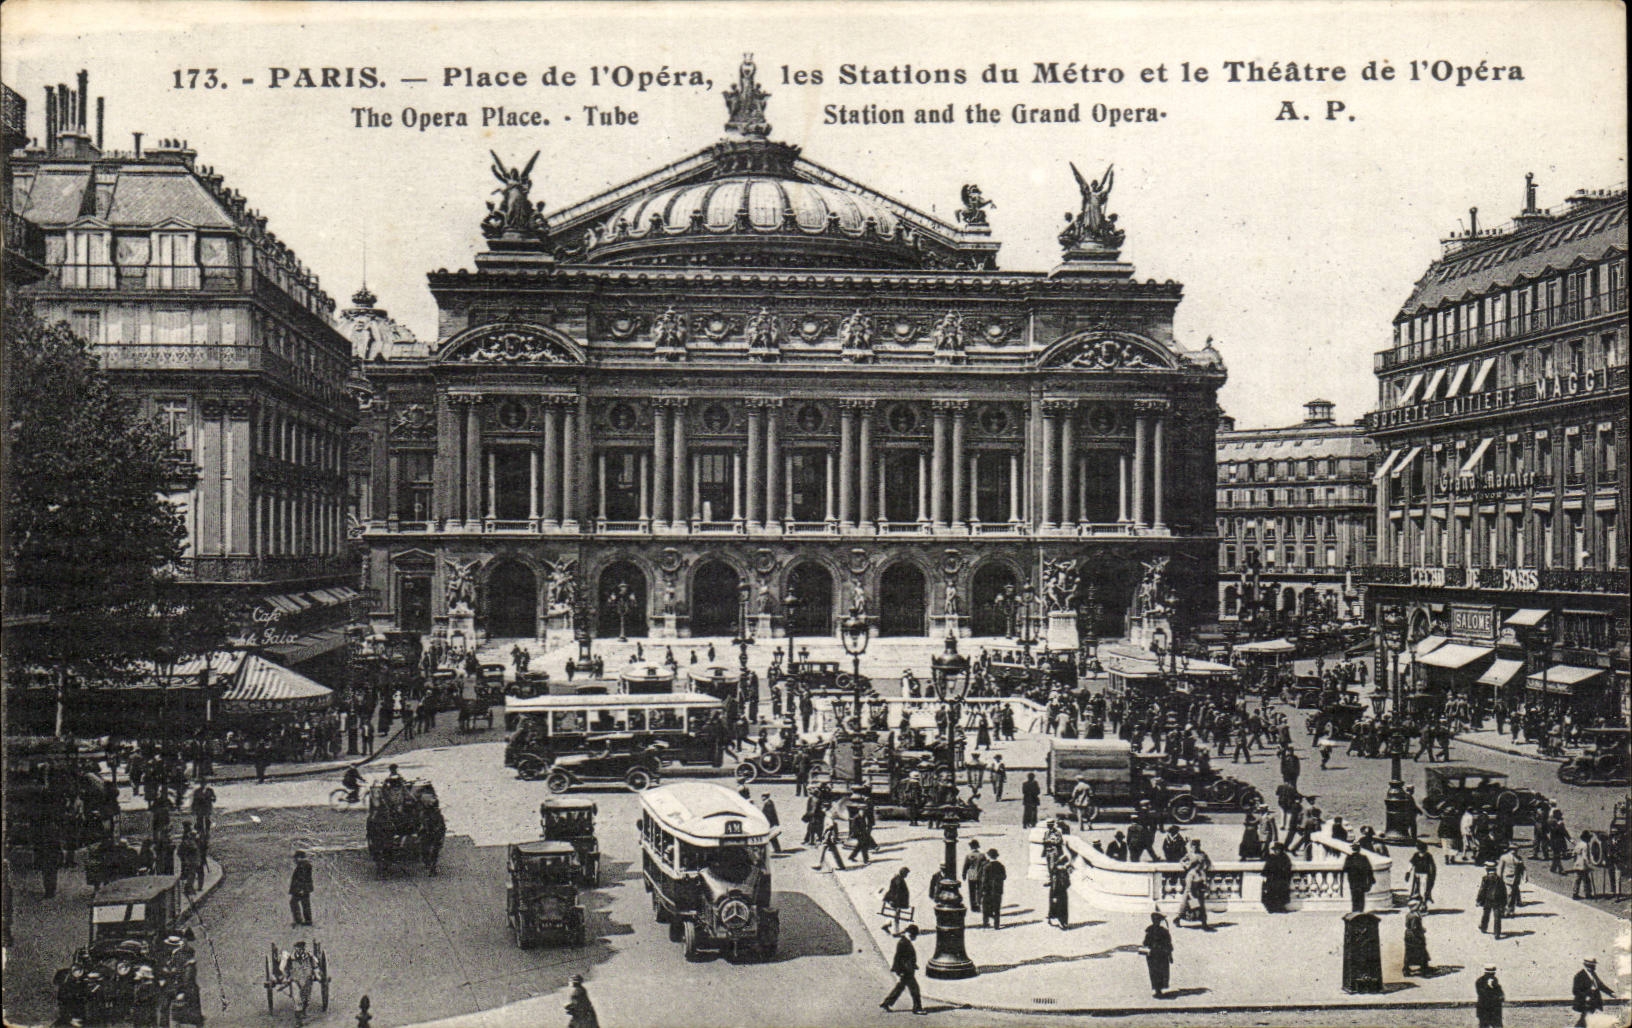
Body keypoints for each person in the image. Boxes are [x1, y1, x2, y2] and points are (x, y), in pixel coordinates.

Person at [880, 924, 925, 1014]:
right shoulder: (903, 943)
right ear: (910, 934)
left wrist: (913, 964)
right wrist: (900, 971)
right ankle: (917, 1008)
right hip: (906, 971)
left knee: (900, 988)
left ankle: (886, 1003)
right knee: (915, 989)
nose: (915, 937)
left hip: (907, 970)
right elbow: (898, 958)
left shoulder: (905, 942)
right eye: (914, 935)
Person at [1572, 957, 1616, 1027]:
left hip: (1595, 1001)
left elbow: (1600, 985)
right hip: (1585, 1003)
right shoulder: (1579, 975)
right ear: (1587, 965)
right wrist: (1586, 996)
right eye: (1593, 964)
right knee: (1586, 1020)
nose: (1594, 966)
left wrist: (1611, 992)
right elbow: (1575, 991)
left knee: (1586, 1020)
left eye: (1594, 964)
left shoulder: (1593, 974)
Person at [1140, 911, 1174, 999]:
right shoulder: (1163, 931)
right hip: (1159, 955)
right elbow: (1168, 944)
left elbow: (1145, 943)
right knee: (1159, 972)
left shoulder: (1150, 931)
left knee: (1156, 972)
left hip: (1154, 955)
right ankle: (1158, 990)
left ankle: (1158, 990)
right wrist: (1170, 955)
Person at [1476, 862, 1507, 938]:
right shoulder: (1499, 879)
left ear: (1487, 869)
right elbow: (1503, 890)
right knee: (1497, 917)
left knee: (1486, 914)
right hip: (1497, 900)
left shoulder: (1485, 878)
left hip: (1488, 899)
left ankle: (1484, 927)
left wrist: (1478, 900)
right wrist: (1504, 902)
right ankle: (1497, 933)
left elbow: (1482, 890)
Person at [1261, 843, 1294, 912]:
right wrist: (1265, 876)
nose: (1276, 851)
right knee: (1270, 893)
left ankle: (1280, 907)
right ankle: (1271, 908)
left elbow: (1288, 868)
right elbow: (1266, 868)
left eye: (1278, 850)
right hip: (1272, 879)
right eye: (1275, 850)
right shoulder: (1271, 857)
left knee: (1281, 893)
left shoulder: (1285, 858)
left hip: (1281, 879)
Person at [1402, 901, 1431, 976]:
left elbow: (1407, 924)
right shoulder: (1415, 916)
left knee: (1409, 951)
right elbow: (1414, 927)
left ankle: (1407, 968)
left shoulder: (1409, 914)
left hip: (1408, 934)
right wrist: (1422, 930)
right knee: (1420, 949)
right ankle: (1423, 967)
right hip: (1415, 936)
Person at [1343, 845, 1375, 912]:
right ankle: (1361, 911)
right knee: (1361, 897)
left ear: (1352, 849)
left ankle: (1355, 911)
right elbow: (1369, 870)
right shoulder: (1363, 858)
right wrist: (1371, 880)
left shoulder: (1349, 858)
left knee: (1354, 897)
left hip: (1353, 882)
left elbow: (1345, 869)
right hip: (1362, 881)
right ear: (1359, 849)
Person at [980, 848, 1006, 928]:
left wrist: (983, 889)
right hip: (998, 889)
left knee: (985, 906)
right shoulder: (1001, 865)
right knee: (997, 907)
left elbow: (984, 879)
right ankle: (996, 924)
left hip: (988, 890)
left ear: (989, 856)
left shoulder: (986, 866)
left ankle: (985, 923)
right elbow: (1004, 876)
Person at [289, 851, 315, 927]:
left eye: (295, 858)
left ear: (299, 858)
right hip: (304, 888)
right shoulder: (305, 865)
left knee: (294, 903)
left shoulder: (302, 866)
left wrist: (301, 889)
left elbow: (302, 878)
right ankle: (307, 921)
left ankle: (299, 920)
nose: (294, 860)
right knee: (305, 904)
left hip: (301, 889)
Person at [1407, 841, 1437, 906]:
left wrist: (1432, 876)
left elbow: (1432, 866)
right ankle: (1417, 904)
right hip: (1417, 875)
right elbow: (1411, 863)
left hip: (1425, 875)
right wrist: (1408, 872)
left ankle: (1423, 904)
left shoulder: (1428, 856)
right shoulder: (1416, 855)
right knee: (1416, 889)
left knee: (1424, 889)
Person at [1046, 851, 1071, 929]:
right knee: (1059, 906)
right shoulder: (1057, 873)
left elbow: (1068, 882)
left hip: (1060, 890)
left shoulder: (1060, 872)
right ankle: (1061, 921)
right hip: (1058, 890)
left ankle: (1060, 921)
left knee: (1059, 905)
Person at [1497, 844, 1525, 914]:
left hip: (1516, 879)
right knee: (1508, 893)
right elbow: (1500, 868)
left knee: (1513, 895)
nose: (1514, 851)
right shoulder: (1504, 857)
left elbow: (1522, 868)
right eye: (1512, 849)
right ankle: (1505, 909)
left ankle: (1511, 910)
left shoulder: (1519, 858)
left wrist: (1525, 876)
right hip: (1506, 878)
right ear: (1509, 849)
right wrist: (1499, 878)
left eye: (1515, 849)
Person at [962, 839, 987, 913]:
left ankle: (973, 906)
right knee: (979, 890)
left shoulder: (969, 855)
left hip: (971, 874)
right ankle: (978, 904)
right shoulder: (982, 855)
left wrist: (964, 874)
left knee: (972, 890)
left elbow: (965, 866)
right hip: (979, 874)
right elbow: (985, 866)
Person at [1571, 831, 1595, 900]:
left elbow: (1573, 854)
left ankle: (1575, 894)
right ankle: (1588, 894)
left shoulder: (1578, 844)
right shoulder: (1585, 845)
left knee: (1577, 880)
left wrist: (1575, 862)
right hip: (1583, 866)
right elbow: (1585, 857)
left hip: (1577, 864)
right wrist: (1589, 865)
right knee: (1586, 880)